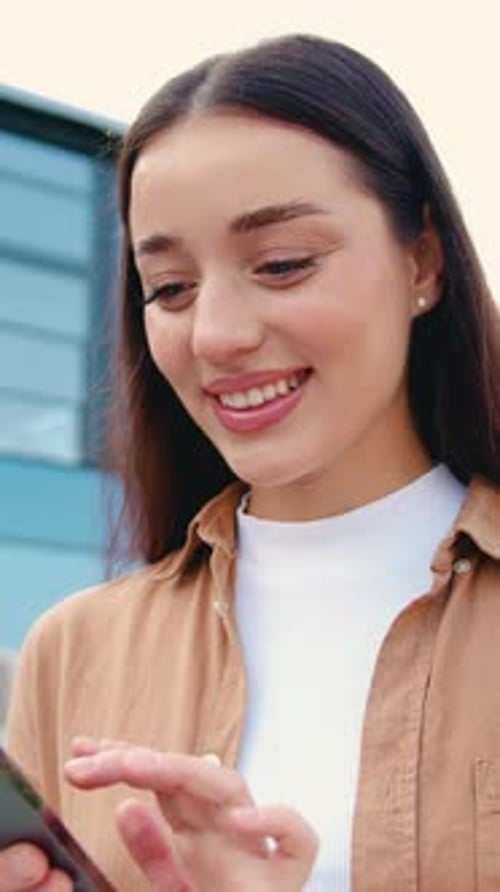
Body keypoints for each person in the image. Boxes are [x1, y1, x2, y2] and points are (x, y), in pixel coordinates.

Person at [2, 31, 500, 892]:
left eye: (281, 264)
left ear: (422, 260)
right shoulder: (73, 649)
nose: (217, 335)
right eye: (170, 288)